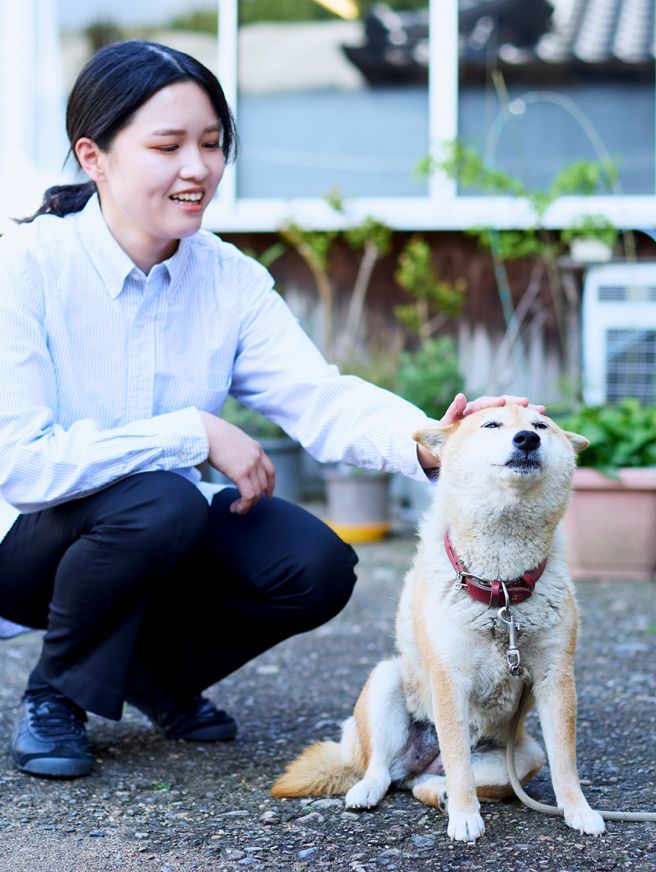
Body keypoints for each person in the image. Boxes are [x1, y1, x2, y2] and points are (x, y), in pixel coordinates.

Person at [0, 40, 539, 779]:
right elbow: (22, 467)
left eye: (213, 144)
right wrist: (189, 432)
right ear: (93, 157)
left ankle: (150, 675)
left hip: (157, 530)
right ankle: (54, 694)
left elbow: (318, 395)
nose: (198, 169)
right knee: (161, 497)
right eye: (168, 146)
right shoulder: (26, 268)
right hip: (28, 549)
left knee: (313, 564)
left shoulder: (228, 279)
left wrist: (431, 439)